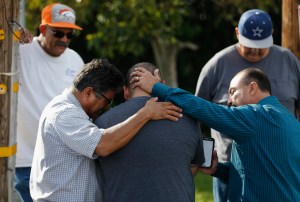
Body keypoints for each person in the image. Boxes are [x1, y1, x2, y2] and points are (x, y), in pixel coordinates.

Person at [130, 67, 300, 201]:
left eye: (232, 91)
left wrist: (157, 88)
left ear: (252, 88)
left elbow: (205, 109)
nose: (229, 101)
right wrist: (218, 170)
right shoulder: (290, 120)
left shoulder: (256, 116)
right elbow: (265, 172)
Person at [30, 58, 182, 201]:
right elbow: (102, 145)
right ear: (88, 92)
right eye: (107, 101)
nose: (107, 108)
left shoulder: (73, 110)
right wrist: (146, 113)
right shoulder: (64, 114)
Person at [194, 8, 300, 202]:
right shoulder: (216, 64)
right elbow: (200, 111)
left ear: (272, 35)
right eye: (249, 44)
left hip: (280, 169)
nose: (254, 50)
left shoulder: (289, 61)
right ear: (237, 33)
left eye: (260, 45)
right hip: (229, 165)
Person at [94, 62, 204, 202]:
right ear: (162, 86)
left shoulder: (103, 123)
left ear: (126, 91)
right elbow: (194, 165)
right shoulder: (188, 119)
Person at [15, 3, 84, 201]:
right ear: (43, 29)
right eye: (58, 33)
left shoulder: (75, 60)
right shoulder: (19, 50)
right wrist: (12, 38)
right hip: (25, 160)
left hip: (62, 161)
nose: (64, 39)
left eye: (69, 35)